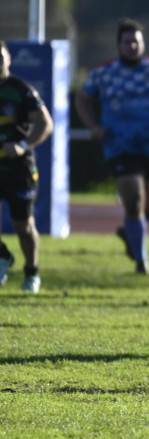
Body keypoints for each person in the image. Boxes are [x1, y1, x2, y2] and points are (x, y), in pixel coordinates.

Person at [75, 18, 149, 274]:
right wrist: (92, 126)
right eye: (127, 42)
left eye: (136, 41)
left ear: (143, 43)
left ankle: (130, 231)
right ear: (119, 45)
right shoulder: (103, 72)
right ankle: (141, 261)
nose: (132, 46)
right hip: (119, 145)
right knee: (134, 198)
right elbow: (83, 98)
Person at [0, 39, 54, 293]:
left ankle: (31, 272)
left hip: (18, 169)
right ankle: (3, 256)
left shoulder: (21, 90)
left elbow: (46, 124)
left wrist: (23, 144)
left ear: (8, 59)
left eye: (0, 58)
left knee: (23, 225)